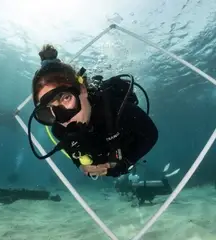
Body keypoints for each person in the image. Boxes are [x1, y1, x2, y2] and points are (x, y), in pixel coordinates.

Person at [27, 44, 158, 178]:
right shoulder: (58, 129)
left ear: (82, 90)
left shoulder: (114, 107)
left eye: (66, 98)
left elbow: (150, 134)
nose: (64, 120)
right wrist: (82, 166)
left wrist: (126, 163)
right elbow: (75, 154)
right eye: (48, 110)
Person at [114, 163, 180, 207]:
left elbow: (143, 197)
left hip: (152, 190)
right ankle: (164, 176)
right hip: (151, 189)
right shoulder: (136, 187)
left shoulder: (137, 188)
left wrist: (138, 202)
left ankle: (164, 176)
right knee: (166, 189)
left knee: (167, 190)